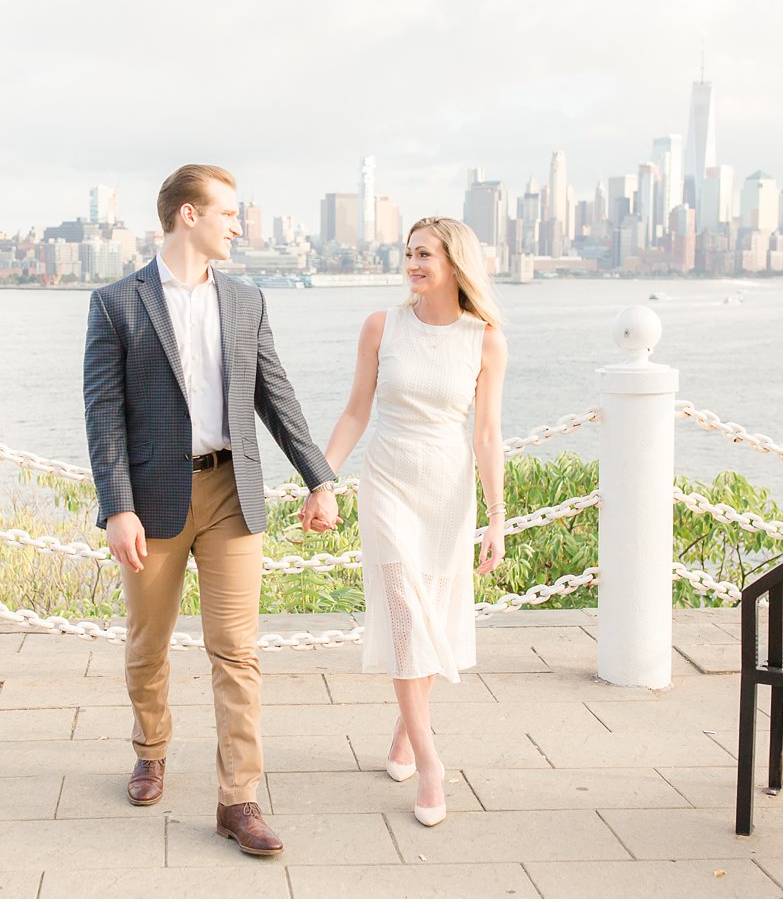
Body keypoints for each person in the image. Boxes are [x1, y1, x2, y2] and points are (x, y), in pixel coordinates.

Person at [82, 164, 340, 857]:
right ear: (188, 216)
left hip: (232, 492)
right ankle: (151, 748)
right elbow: (103, 414)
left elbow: (275, 395)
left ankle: (238, 799)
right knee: (148, 644)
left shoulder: (247, 300)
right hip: (152, 500)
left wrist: (319, 479)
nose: (239, 225)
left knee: (237, 651)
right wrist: (117, 509)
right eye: (229, 212)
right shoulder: (116, 304)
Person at [318, 215, 507, 827]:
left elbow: (486, 435)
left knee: (432, 615)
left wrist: (497, 518)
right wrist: (322, 479)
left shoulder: (485, 339)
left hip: (448, 495)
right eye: (408, 254)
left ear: (455, 262)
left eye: (425, 254)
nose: (413, 264)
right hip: (388, 486)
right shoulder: (382, 326)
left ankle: (405, 730)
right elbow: (354, 412)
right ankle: (430, 762)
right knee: (405, 617)